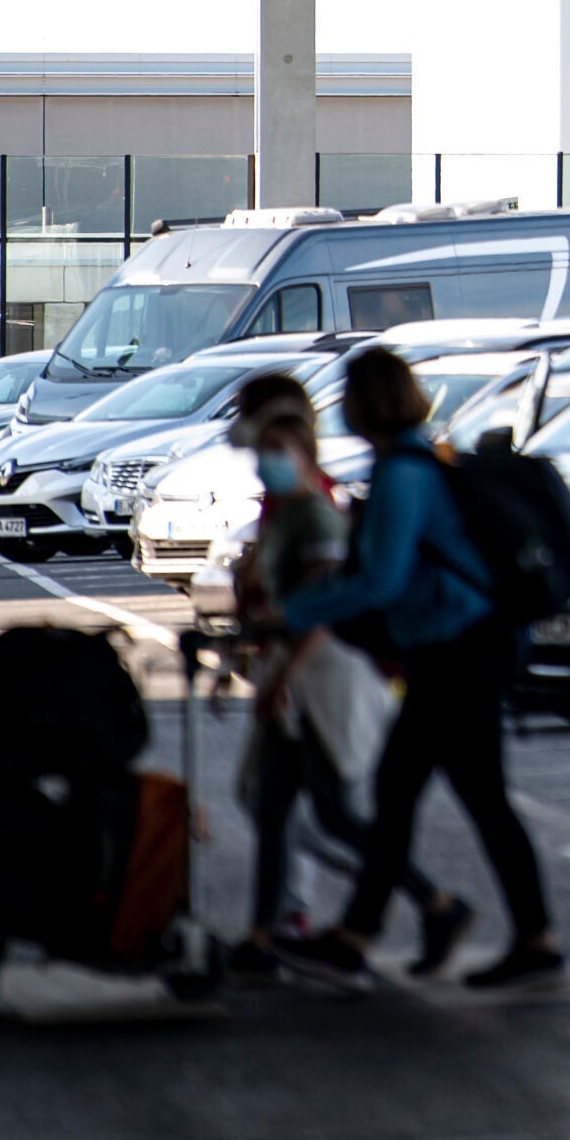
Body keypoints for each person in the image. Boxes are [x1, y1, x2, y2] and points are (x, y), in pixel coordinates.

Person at [268, 347, 564, 992]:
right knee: (446, 795)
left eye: (347, 393)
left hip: (458, 651)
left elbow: (380, 579)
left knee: (413, 791)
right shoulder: (418, 459)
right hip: (461, 647)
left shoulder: (405, 473)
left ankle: (360, 938)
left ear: (364, 402)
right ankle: (526, 936)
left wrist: (293, 611)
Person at [224, 372, 473, 980]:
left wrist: (282, 677)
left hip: (320, 681)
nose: (264, 462)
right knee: (274, 804)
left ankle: (433, 901)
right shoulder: (282, 512)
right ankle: (262, 936)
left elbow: (333, 605)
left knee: (330, 813)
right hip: (294, 679)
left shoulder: (317, 511)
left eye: (273, 451)